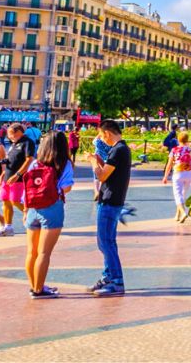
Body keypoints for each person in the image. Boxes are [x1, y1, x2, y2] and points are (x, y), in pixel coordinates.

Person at [23, 131, 75, 298]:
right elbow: (66, 187)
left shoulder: (35, 163)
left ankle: (34, 286)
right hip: (52, 208)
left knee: (32, 252)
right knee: (44, 253)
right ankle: (39, 290)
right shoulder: (64, 163)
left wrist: (25, 210)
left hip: (32, 208)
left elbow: (27, 188)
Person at [88, 119, 130, 296]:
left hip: (110, 200)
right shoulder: (122, 149)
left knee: (106, 241)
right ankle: (108, 276)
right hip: (112, 199)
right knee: (105, 241)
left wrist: (92, 162)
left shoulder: (118, 150)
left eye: (101, 135)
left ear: (107, 133)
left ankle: (116, 281)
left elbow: (103, 175)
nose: (101, 139)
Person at [0, 123, 36, 237]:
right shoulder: (13, 144)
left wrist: (17, 174)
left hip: (18, 178)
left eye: (11, 134)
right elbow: (10, 160)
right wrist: (1, 176)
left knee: (15, 200)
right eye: (8, 134)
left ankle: (34, 217)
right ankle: (8, 227)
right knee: (6, 201)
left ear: (19, 131)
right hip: (7, 177)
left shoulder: (27, 142)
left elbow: (29, 160)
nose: (9, 136)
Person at [161, 131, 191, 223]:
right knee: (182, 194)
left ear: (178, 139)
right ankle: (177, 215)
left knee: (178, 195)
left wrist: (165, 176)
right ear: (187, 139)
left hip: (178, 173)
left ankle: (183, 212)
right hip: (189, 173)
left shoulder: (174, 150)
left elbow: (169, 165)